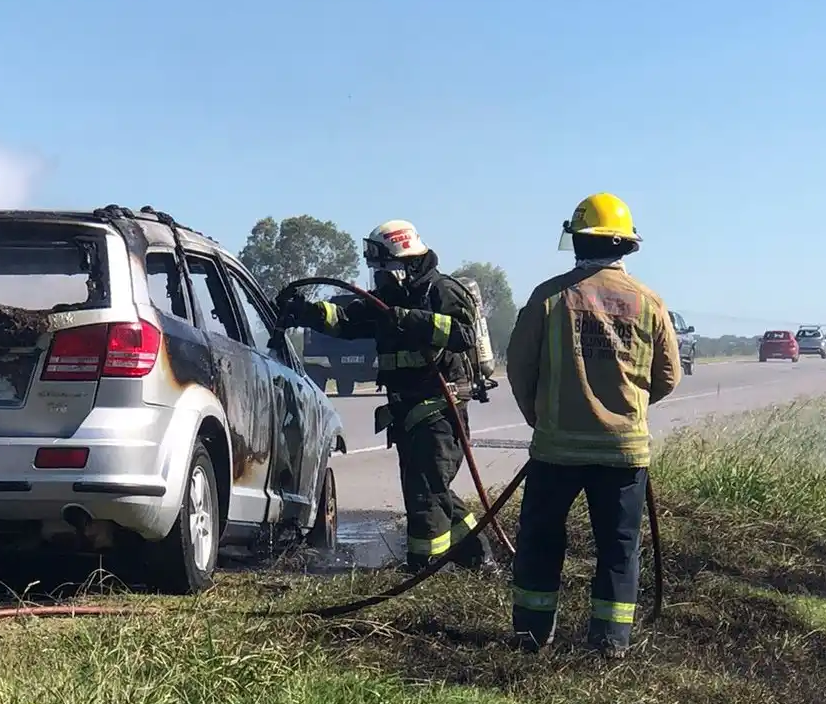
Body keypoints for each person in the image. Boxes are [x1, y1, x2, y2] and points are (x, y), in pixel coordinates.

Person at [506, 193, 681, 658]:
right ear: (625, 245)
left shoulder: (550, 296)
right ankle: (609, 644)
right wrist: (628, 411)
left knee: (540, 542)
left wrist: (541, 417)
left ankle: (530, 638)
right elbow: (667, 377)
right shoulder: (649, 302)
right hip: (623, 453)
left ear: (577, 239)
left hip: (556, 451)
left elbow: (519, 367)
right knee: (619, 549)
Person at [282, 219, 494, 573]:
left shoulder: (443, 291)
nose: (379, 280)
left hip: (441, 410)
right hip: (407, 410)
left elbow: (463, 334)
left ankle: (422, 566)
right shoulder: (388, 299)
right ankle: (479, 556)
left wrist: (409, 319)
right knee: (432, 489)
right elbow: (348, 320)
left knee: (425, 494)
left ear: (405, 264)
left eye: (384, 270)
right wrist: (308, 312)